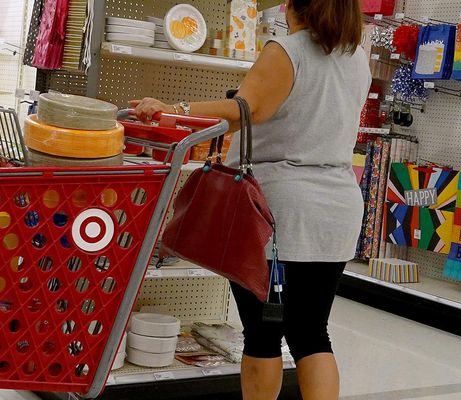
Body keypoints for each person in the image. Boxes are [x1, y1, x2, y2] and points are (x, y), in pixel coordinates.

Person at [130, 1, 369, 399]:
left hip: (279, 213)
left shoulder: (287, 50)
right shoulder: (355, 57)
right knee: (311, 332)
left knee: (263, 333)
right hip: (337, 209)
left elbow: (247, 109)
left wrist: (175, 109)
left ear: (294, 6)